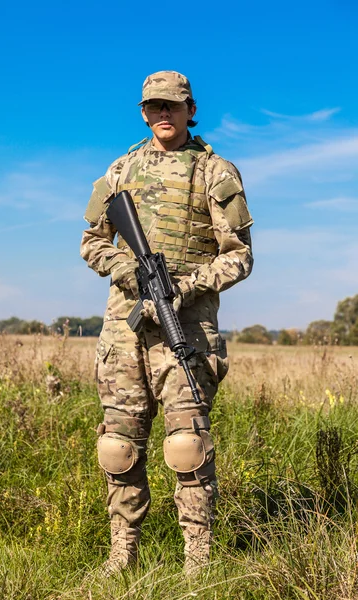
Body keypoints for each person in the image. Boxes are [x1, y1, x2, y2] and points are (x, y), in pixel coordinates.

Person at [80, 70, 253, 576]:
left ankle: (197, 562)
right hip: (124, 332)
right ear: (143, 111)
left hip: (188, 332)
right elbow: (92, 242)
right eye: (153, 106)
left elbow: (239, 257)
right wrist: (126, 268)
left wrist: (185, 286)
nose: (163, 114)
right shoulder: (120, 170)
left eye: (172, 106)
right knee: (118, 446)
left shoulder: (215, 171)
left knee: (187, 445)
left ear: (190, 109)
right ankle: (122, 556)